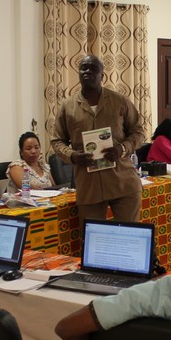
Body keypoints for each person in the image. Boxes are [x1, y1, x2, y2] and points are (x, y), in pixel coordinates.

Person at [50, 54, 145, 223]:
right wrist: (72, 155)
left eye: (93, 69)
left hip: (123, 182)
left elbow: (138, 132)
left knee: (129, 234)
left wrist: (122, 149)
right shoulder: (67, 106)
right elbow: (57, 141)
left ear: (102, 75)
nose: (88, 71)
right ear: (78, 74)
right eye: (83, 68)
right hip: (89, 186)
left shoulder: (119, 101)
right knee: (92, 237)